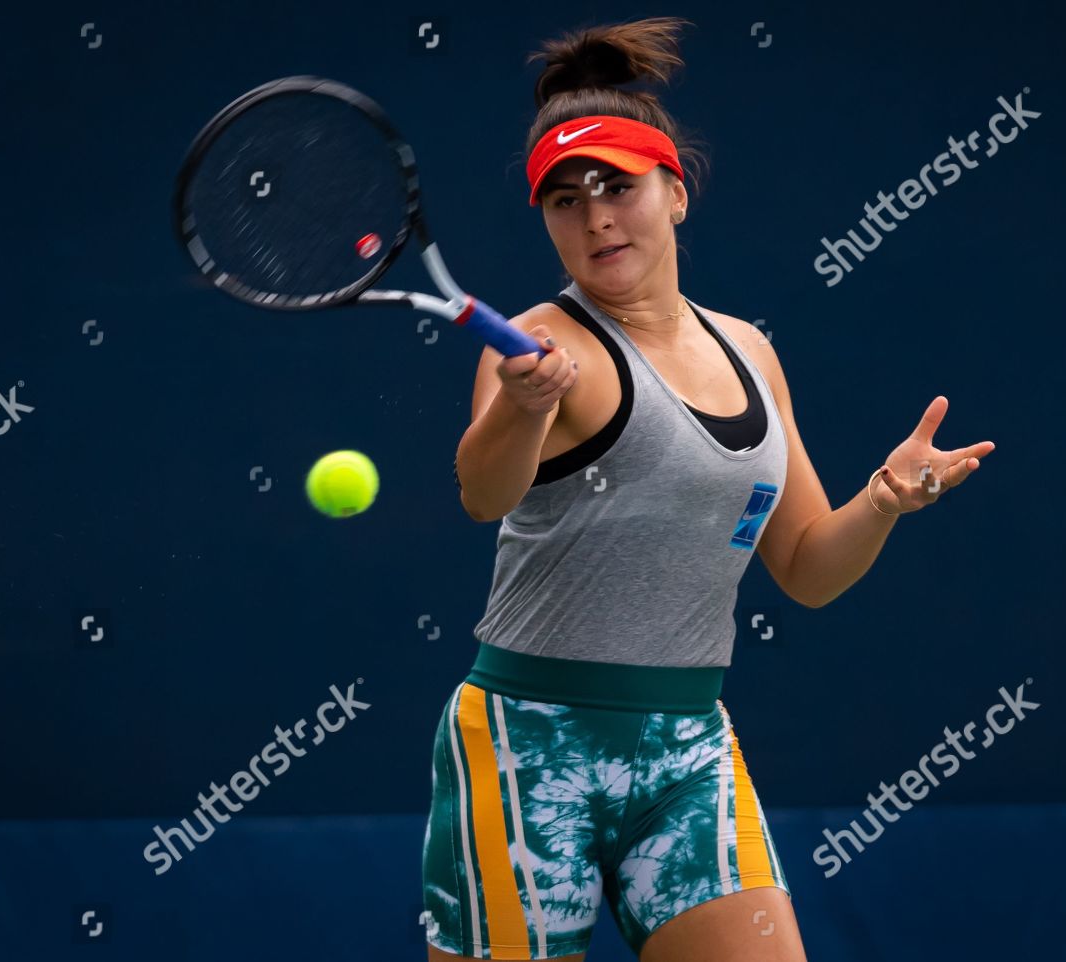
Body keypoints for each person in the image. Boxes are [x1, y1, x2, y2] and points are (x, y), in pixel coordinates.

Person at [423, 17, 995, 962]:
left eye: (618, 185)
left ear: (675, 192)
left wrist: (883, 502)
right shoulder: (536, 345)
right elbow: (482, 493)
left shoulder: (751, 352)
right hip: (525, 748)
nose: (597, 215)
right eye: (565, 200)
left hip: (688, 750)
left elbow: (808, 569)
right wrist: (522, 408)